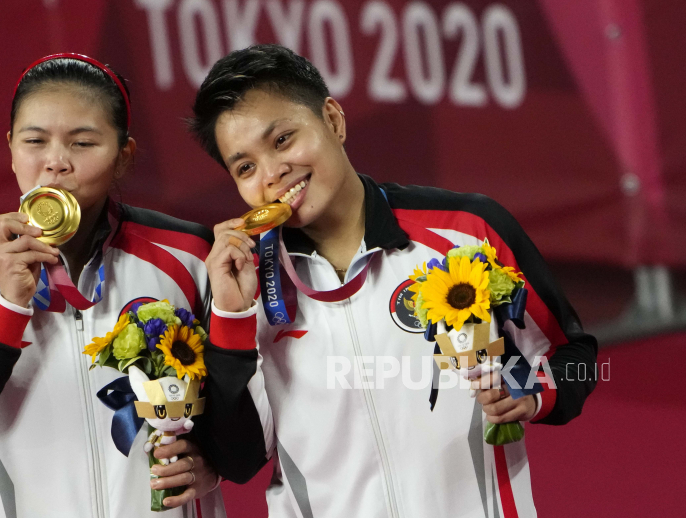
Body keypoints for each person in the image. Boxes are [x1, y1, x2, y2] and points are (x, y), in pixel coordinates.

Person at [191, 45, 598, 518]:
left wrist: (531, 390)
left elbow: (574, 358)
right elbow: (239, 460)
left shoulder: (467, 230)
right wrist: (232, 316)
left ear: (333, 120)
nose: (272, 174)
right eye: (245, 168)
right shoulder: (242, 285)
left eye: (282, 140)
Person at [0, 54, 225, 517]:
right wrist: (9, 306)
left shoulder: (189, 254)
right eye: (35, 141)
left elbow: (245, 414)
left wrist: (214, 462)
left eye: (83, 143)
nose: (55, 162)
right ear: (12, 149)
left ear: (123, 156)